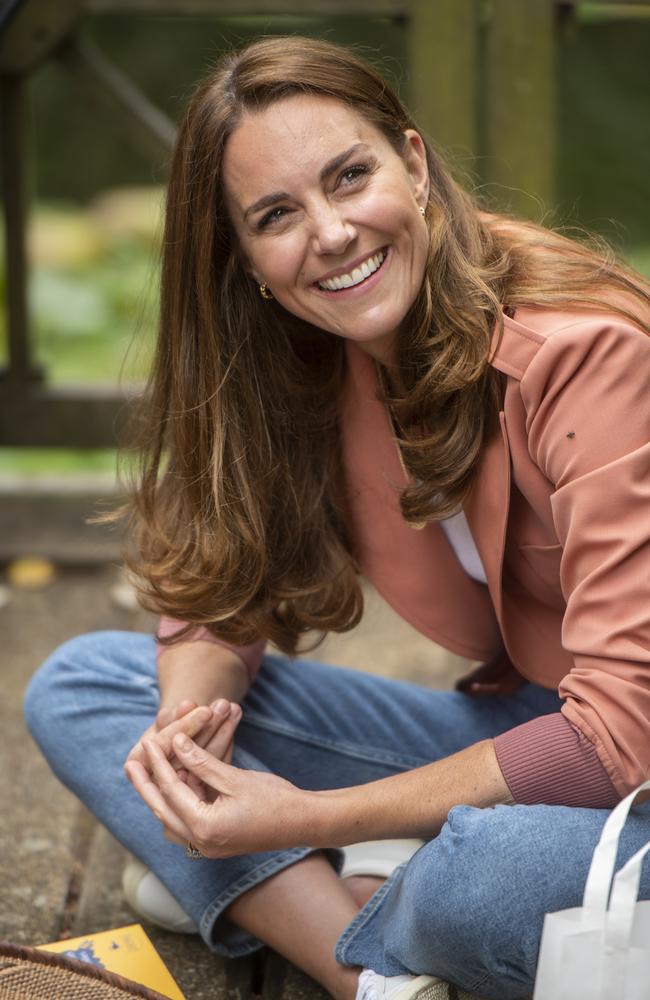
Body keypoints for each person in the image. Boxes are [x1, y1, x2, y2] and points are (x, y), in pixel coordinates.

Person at [24, 35, 650, 1000]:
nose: (331, 232)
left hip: (626, 757)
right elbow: (218, 598)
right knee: (83, 687)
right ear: (244, 263)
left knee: (485, 879)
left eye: (350, 176)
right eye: (277, 215)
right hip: (535, 719)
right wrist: (191, 753)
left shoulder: (584, 355)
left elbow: (621, 730)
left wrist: (310, 819)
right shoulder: (313, 354)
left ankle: (291, 893)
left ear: (414, 161)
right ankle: (376, 980)